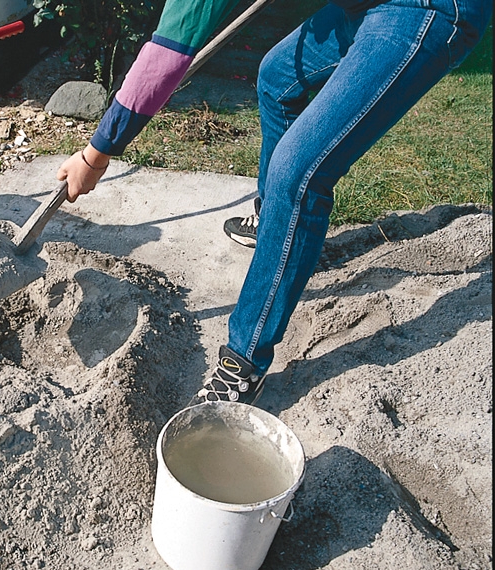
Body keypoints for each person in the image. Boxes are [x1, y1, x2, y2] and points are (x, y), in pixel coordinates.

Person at [57, 0, 492, 403]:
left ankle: (244, 363)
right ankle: (277, 230)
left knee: (296, 173)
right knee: (277, 77)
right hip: (367, 4)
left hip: (427, 8)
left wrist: (96, 155)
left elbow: (171, 47)